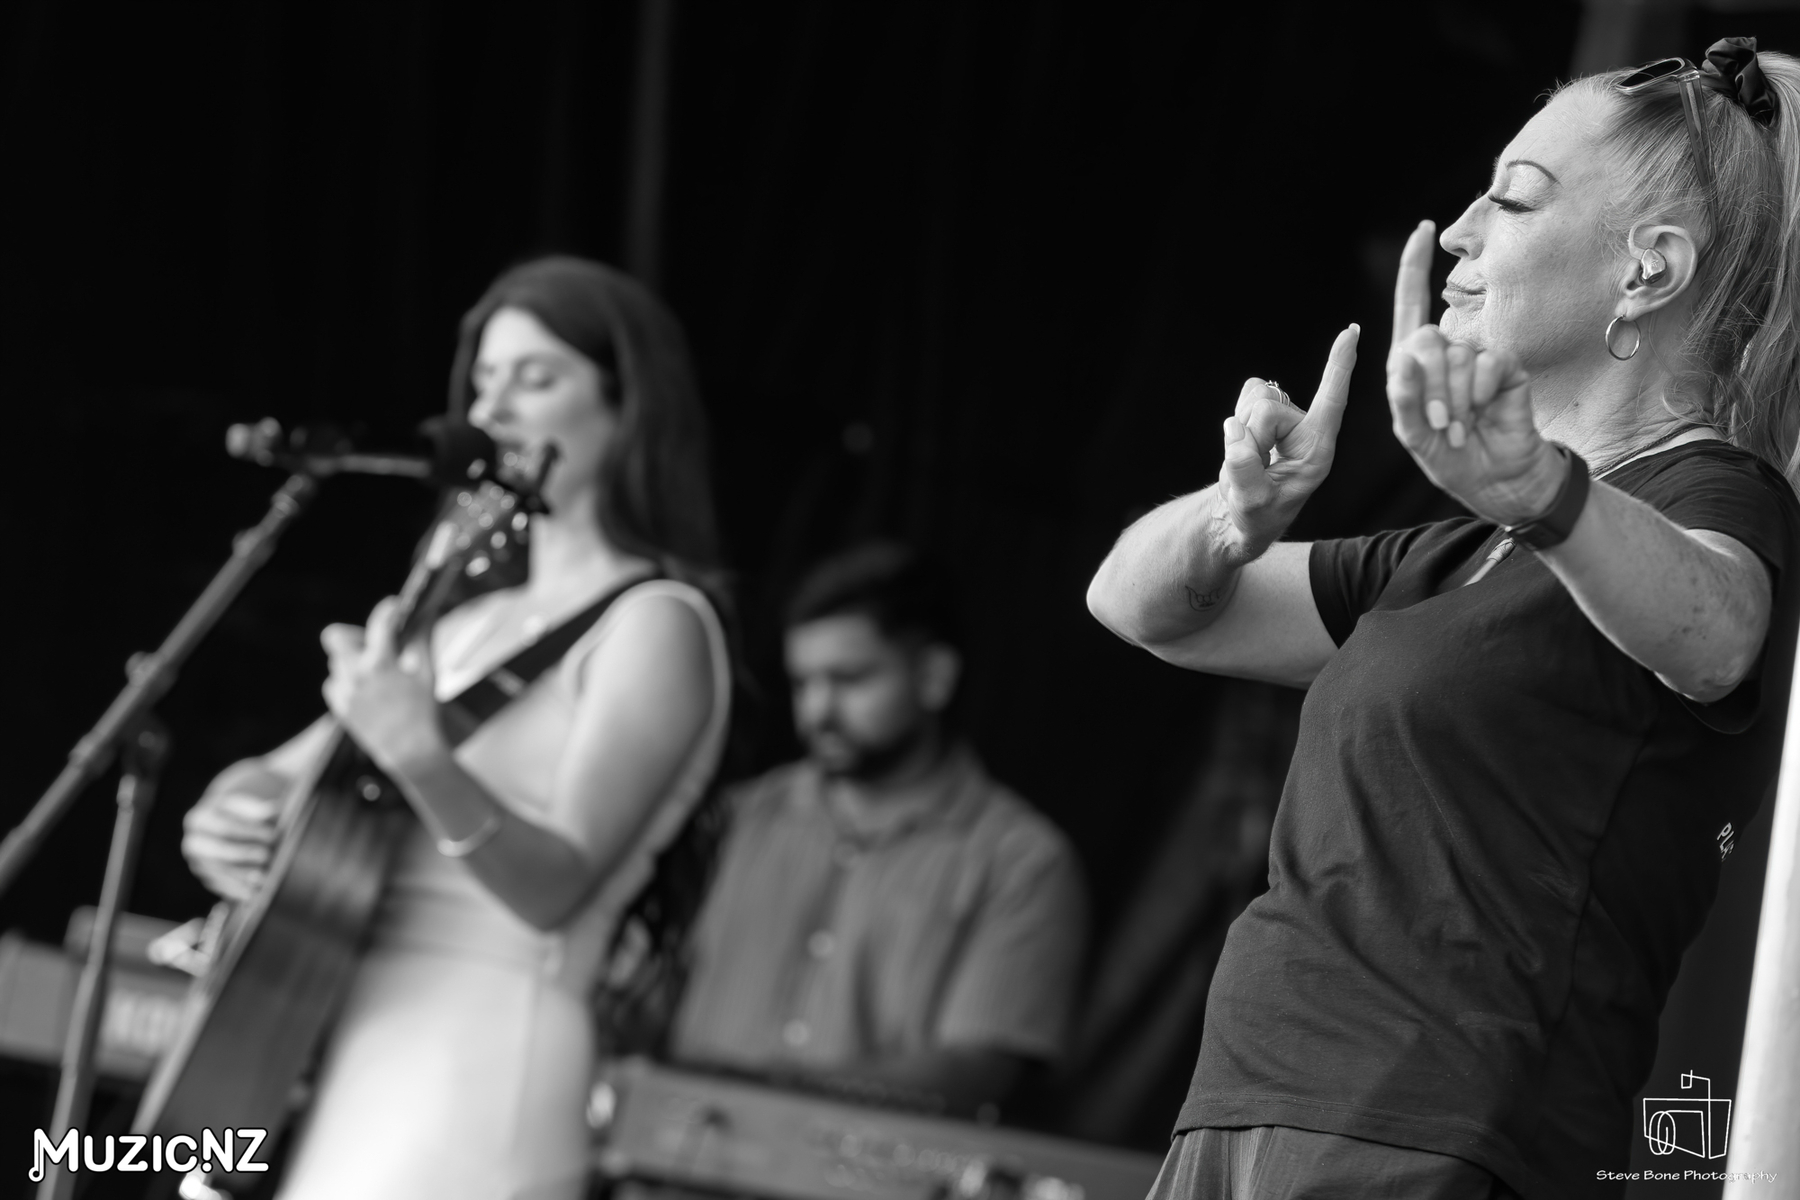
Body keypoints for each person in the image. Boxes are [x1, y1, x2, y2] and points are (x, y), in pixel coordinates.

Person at [1087, 38, 1800, 1200]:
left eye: (1511, 200)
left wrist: (1545, 493)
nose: (1458, 233)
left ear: (1649, 271)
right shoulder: (1453, 556)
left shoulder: (1711, 495)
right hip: (1243, 1113)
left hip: (1429, 1133)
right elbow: (1139, 606)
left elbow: (1718, 633)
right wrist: (1233, 517)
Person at [180, 256, 733, 1200]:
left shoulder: (659, 624)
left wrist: (418, 755)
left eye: (536, 378)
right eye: (483, 382)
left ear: (626, 406)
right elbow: (279, 774)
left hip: (482, 1054)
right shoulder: (463, 614)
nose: (494, 410)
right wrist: (227, 816)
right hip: (340, 1030)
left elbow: (555, 888)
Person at [669, 542, 1088, 1117]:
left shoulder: (1023, 863)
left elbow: (976, 1072)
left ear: (934, 677)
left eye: (850, 679)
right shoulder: (735, 820)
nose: (818, 710)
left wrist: (764, 1103)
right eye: (802, 684)